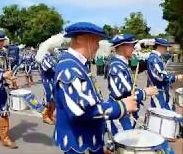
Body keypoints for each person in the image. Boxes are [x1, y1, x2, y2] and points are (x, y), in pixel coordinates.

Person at [54, 22, 138, 154]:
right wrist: (121, 107)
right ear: (82, 39)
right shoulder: (69, 67)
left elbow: (92, 101)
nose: (98, 47)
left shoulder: (78, 65)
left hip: (89, 141)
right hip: (78, 144)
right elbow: (81, 110)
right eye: (96, 42)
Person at [107, 34, 158, 135]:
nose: (133, 48)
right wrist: (145, 92)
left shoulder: (123, 64)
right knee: (123, 143)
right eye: (131, 46)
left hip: (127, 112)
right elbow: (121, 93)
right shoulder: (116, 66)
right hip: (121, 115)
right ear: (122, 47)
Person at [146, 38, 183, 110]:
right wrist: (176, 77)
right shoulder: (154, 59)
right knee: (163, 116)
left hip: (163, 93)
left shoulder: (158, 58)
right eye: (165, 47)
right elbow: (160, 77)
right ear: (160, 46)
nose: (166, 49)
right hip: (159, 94)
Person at [40, 48, 57, 125]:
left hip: (54, 80)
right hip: (47, 81)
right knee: (48, 98)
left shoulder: (54, 56)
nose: (54, 48)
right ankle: (45, 116)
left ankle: (50, 114)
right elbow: (46, 67)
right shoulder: (45, 57)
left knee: (54, 99)